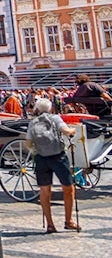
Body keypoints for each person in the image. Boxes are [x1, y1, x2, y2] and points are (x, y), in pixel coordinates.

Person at [27, 98, 80, 233]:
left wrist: (37, 149)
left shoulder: (33, 122)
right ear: (50, 108)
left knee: (45, 192)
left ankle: (50, 224)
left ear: (37, 110)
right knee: (68, 188)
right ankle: (68, 221)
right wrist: (72, 131)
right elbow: (66, 131)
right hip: (58, 157)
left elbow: (28, 143)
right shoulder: (55, 118)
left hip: (41, 158)